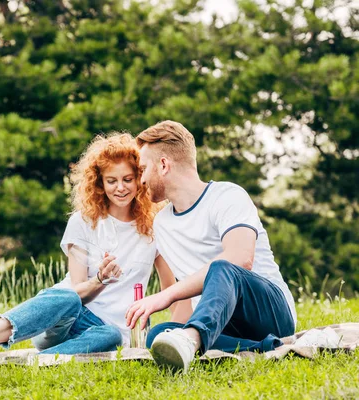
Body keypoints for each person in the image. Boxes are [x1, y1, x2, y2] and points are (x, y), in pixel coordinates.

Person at [0, 133, 161, 361]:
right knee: (68, 297)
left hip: (105, 332)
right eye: (112, 181)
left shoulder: (155, 229)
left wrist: (178, 333)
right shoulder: (83, 221)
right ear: (100, 183)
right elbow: (78, 293)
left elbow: (171, 293)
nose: (120, 187)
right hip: (62, 319)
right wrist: (100, 279)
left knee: (110, 335)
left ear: (140, 179)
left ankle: (38, 362)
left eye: (127, 179)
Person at [125, 120, 297, 372]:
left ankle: (193, 339)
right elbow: (188, 292)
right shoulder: (162, 224)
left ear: (163, 165)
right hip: (220, 322)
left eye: (143, 169)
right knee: (159, 334)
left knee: (222, 267)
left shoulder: (228, 196)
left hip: (268, 311)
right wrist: (172, 334)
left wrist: (165, 295)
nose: (140, 179)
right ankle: (264, 347)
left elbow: (240, 260)